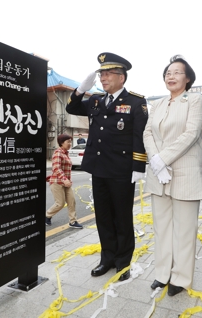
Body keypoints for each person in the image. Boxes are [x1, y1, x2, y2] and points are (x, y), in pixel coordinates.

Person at [66, 52, 148, 281]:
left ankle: (123, 262)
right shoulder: (95, 101)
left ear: (122, 77)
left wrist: (138, 167)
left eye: (108, 73)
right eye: (101, 73)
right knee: (103, 216)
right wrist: (80, 90)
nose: (103, 78)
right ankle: (107, 258)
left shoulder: (135, 101)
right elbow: (71, 108)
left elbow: (138, 136)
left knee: (122, 217)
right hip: (99, 168)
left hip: (122, 170)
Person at [143, 55, 202, 296]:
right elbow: (147, 133)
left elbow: (191, 133)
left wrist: (163, 158)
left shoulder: (194, 100)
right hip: (159, 174)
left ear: (187, 78)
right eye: (168, 72)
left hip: (184, 173)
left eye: (177, 72)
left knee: (184, 229)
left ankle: (181, 278)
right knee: (162, 227)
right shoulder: (156, 104)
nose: (171, 75)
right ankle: (162, 273)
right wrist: (156, 161)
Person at [46, 134, 83, 229]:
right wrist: (64, 179)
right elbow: (56, 168)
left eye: (70, 141)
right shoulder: (58, 153)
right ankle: (47, 216)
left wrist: (67, 181)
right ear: (62, 143)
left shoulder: (66, 153)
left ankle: (73, 221)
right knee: (60, 203)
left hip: (66, 182)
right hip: (57, 182)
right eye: (68, 142)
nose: (70, 144)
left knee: (71, 201)